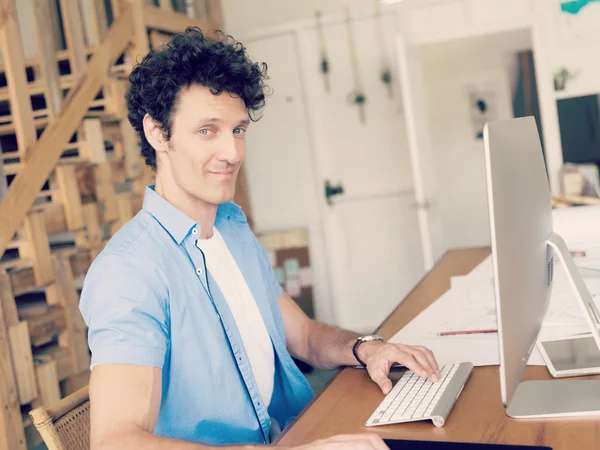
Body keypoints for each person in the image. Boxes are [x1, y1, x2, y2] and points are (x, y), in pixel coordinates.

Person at [79, 27, 440, 450]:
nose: (232, 152)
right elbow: (115, 442)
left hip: (290, 435)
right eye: (207, 131)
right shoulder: (130, 271)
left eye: (238, 130)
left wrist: (366, 349)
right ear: (158, 133)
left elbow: (303, 335)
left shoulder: (231, 228)